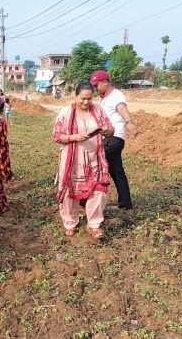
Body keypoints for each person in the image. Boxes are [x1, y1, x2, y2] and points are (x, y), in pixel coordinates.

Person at [53, 82, 114, 238]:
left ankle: (94, 224)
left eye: (89, 99)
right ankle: (70, 222)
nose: (86, 102)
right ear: (75, 96)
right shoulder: (66, 113)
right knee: (69, 192)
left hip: (95, 158)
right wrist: (73, 137)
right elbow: (56, 136)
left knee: (99, 190)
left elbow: (110, 129)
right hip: (73, 160)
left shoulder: (99, 110)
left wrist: (107, 131)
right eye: (82, 99)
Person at [90, 70, 137, 210]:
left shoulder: (115, 94)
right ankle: (125, 203)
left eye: (96, 85)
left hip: (114, 138)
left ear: (105, 82)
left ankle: (87, 201)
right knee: (117, 171)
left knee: (93, 161)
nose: (95, 88)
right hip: (112, 138)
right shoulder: (103, 97)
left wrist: (129, 121)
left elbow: (121, 108)